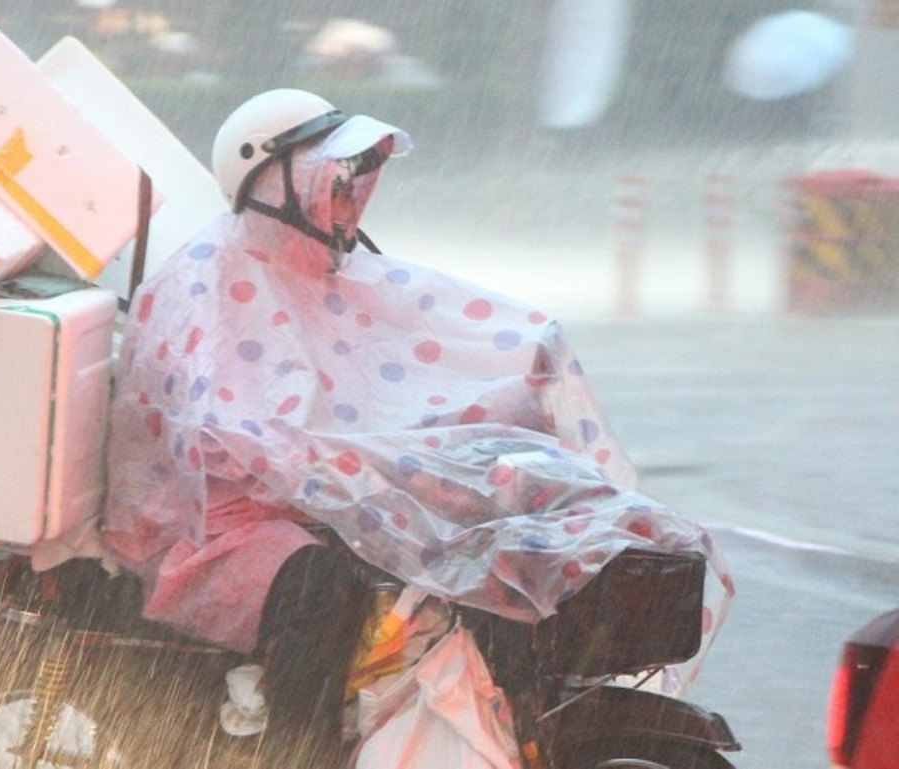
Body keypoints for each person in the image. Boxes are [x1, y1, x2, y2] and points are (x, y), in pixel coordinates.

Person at [100, 89, 732, 737]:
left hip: (310, 501)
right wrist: (363, 467)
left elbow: (403, 370)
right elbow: (225, 434)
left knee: (499, 526)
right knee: (319, 587)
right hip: (213, 528)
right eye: (334, 182)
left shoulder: (330, 270)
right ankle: (294, 746)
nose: (348, 200)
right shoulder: (205, 280)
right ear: (279, 181)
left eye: (354, 184)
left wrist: (501, 402)